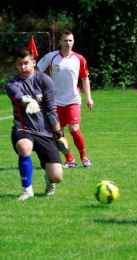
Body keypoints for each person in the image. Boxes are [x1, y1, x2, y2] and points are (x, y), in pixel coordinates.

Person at [5, 47, 64, 201]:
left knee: (57, 176)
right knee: (24, 147)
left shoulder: (44, 80)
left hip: (44, 132)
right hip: (23, 129)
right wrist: (27, 100)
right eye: (19, 64)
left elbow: (51, 109)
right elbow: (17, 96)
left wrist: (58, 135)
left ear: (33, 63)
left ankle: (49, 180)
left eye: (26, 63)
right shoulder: (12, 83)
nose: (23, 67)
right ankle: (27, 190)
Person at [37, 29, 94, 169]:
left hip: (73, 100)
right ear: (60, 42)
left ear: (73, 41)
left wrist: (89, 98)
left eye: (70, 40)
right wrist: (40, 90)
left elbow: (84, 78)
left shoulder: (79, 59)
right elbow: (37, 72)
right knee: (58, 133)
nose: (68, 43)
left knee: (74, 128)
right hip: (55, 101)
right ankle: (70, 159)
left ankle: (84, 157)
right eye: (65, 40)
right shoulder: (51, 57)